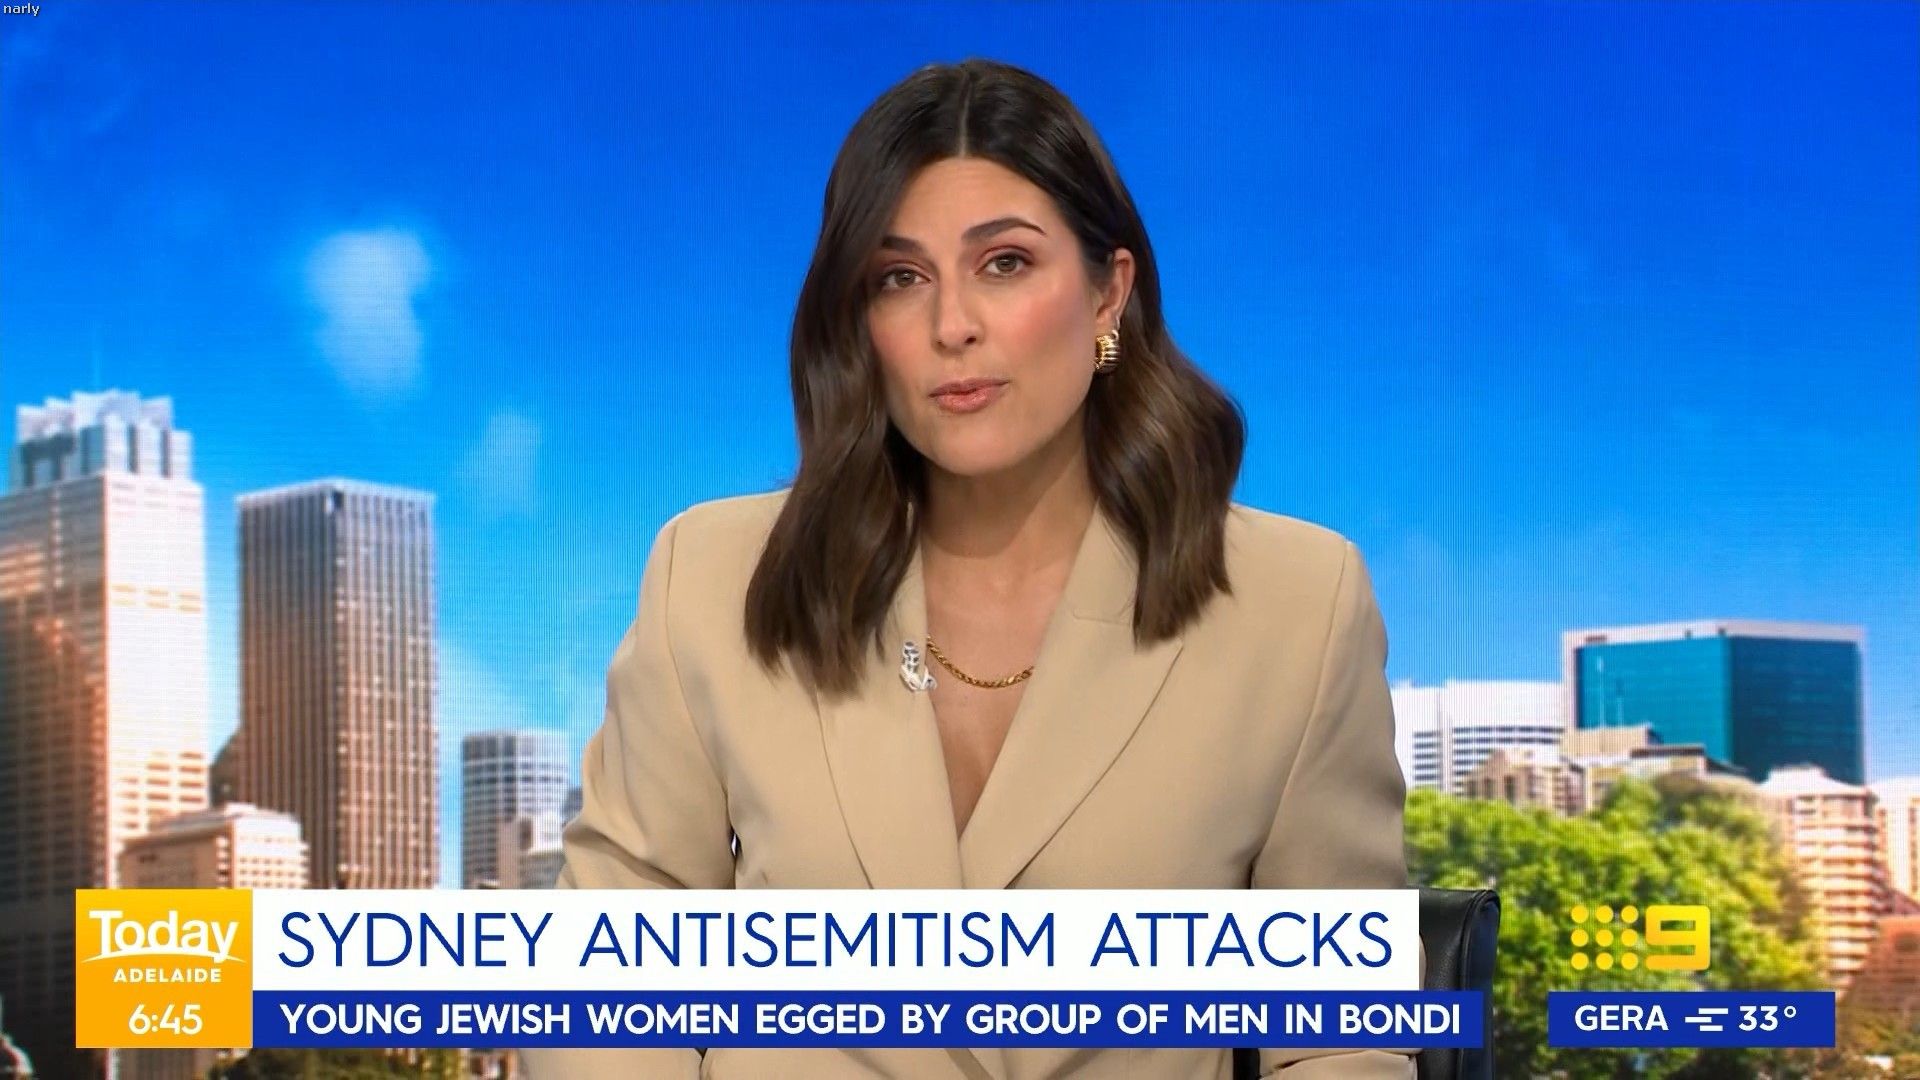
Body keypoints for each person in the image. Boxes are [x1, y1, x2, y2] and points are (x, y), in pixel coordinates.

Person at [523, 57, 1415, 1080]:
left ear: (1108, 295)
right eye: (900, 279)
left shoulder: (1297, 605)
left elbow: (1342, 1042)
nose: (953, 325)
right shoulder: (713, 577)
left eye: (1005, 263)